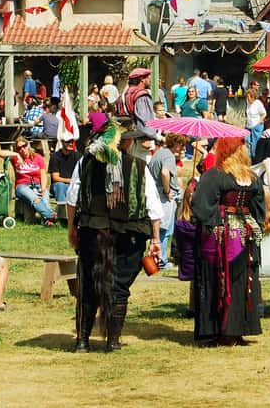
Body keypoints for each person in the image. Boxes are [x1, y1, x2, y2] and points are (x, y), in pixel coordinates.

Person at [66, 122, 163, 353]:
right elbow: (153, 207)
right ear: (126, 143)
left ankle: (82, 342)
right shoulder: (140, 166)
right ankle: (113, 341)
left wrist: (72, 228)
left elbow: (72, 199)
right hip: (130, 235)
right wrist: (156, 239)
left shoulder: (85, 162)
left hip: (93, 231)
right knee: (118, 286)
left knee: (89, 284)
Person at [192, 137, 265, 346]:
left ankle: (221, 329)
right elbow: (259, 205)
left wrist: (211, 218)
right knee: (241, 279)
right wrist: (254, 222)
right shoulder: (251, 176)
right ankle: (237, 329)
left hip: (221, 234)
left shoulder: (215, 175)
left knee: (221, 278)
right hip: (245, 232)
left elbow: (201, 203)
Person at [149, 133, 185, 270]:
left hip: (156, 194)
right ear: (175, 144)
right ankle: (162, 261)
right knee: (165, 230)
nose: (182, 148)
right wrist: (167, 190)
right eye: (181, 144)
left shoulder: (160, 153)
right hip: (164, 197)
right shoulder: (169, 155)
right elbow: (165, 173)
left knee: (159, 228)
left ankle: (156, 258)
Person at [0, 139, 57, 225]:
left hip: (37, 185)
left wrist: (43, 188)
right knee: (35, 198)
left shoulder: (38, 157)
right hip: (22, 186)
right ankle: (50, 215)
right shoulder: (15, 158)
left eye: (24, 146)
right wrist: (16, 154)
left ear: (28, 145)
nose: (22, 149)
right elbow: (0, 153)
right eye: (19, 148)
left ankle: (47, 221)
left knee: (44, 196)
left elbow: (43, 175)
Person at [119, 68, 156, 136]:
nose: (150, 80)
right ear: (142, 79)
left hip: (125, 136)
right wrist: (155, 137)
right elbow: (146, 121)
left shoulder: (123, 95)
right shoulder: (142, 95)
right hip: (140, 138)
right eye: (148, 78)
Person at [49, 138, 81, 204]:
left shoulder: (78, 156)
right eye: (68, 141)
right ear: (62, 142)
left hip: (74, 184)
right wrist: (71, 181)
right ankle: (62, 211)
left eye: (72, 141)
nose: (71, 143)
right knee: (60, 186)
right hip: (59, 185)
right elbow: (55, 178)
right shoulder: (55, 156)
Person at [244, 88, 266, 156]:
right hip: (248, 126)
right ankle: (249, 156)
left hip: (256, 126)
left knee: (255, 144)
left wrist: (259, 121)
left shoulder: (258, 103)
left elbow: (264, 113)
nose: (247, 99)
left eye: (249, 97)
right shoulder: (248, 103)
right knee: (247, 142)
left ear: (253, 97)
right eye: (246, 97)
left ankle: (255, 157)